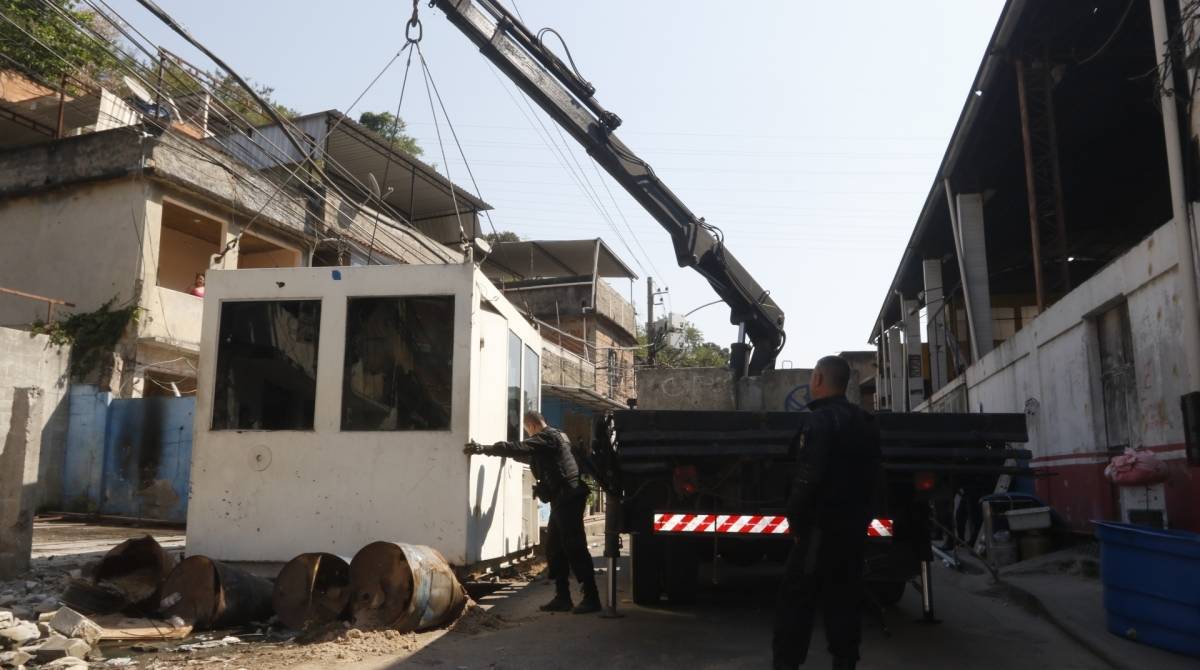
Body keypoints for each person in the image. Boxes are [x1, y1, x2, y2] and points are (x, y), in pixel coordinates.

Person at [773, 355, 882, 670]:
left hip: (817, 532)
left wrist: (796, 523)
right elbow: (876, 478)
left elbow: (807, 479)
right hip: (851, 531)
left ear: (819, 379)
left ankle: (787, 664)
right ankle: (845, 662)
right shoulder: (866, 422)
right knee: (845, 601)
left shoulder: (818, 421)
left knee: (795, 605)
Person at [464, 410, 601, 614]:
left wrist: (484, 449)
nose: (529, 436)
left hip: (568, 498)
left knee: (575, 546)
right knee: (555, 548)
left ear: (533, 425)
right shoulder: (555, 438)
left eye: (528, 431)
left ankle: (592, 597)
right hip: (563, 499)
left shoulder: (548, 437)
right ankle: (563, 597)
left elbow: (519, 447)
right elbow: (534, 458)